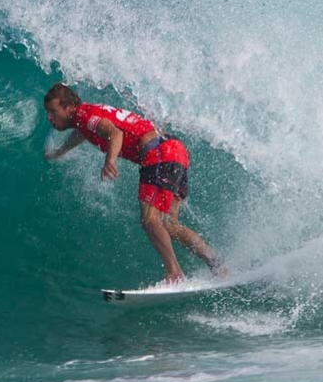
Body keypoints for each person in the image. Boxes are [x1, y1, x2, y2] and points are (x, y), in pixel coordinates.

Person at [42, 82, 223, 284]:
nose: (49, 117)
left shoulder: (84, 115)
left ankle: (174, 273)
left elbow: (115, 133)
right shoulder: (87, 116)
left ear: (69, 108)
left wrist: (110, 160)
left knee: (150, 220)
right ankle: (217, 264)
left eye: (53, 111)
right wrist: (61, 151)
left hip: (158, 155)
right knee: (169, 224)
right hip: (175, 151)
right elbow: (83, 132)